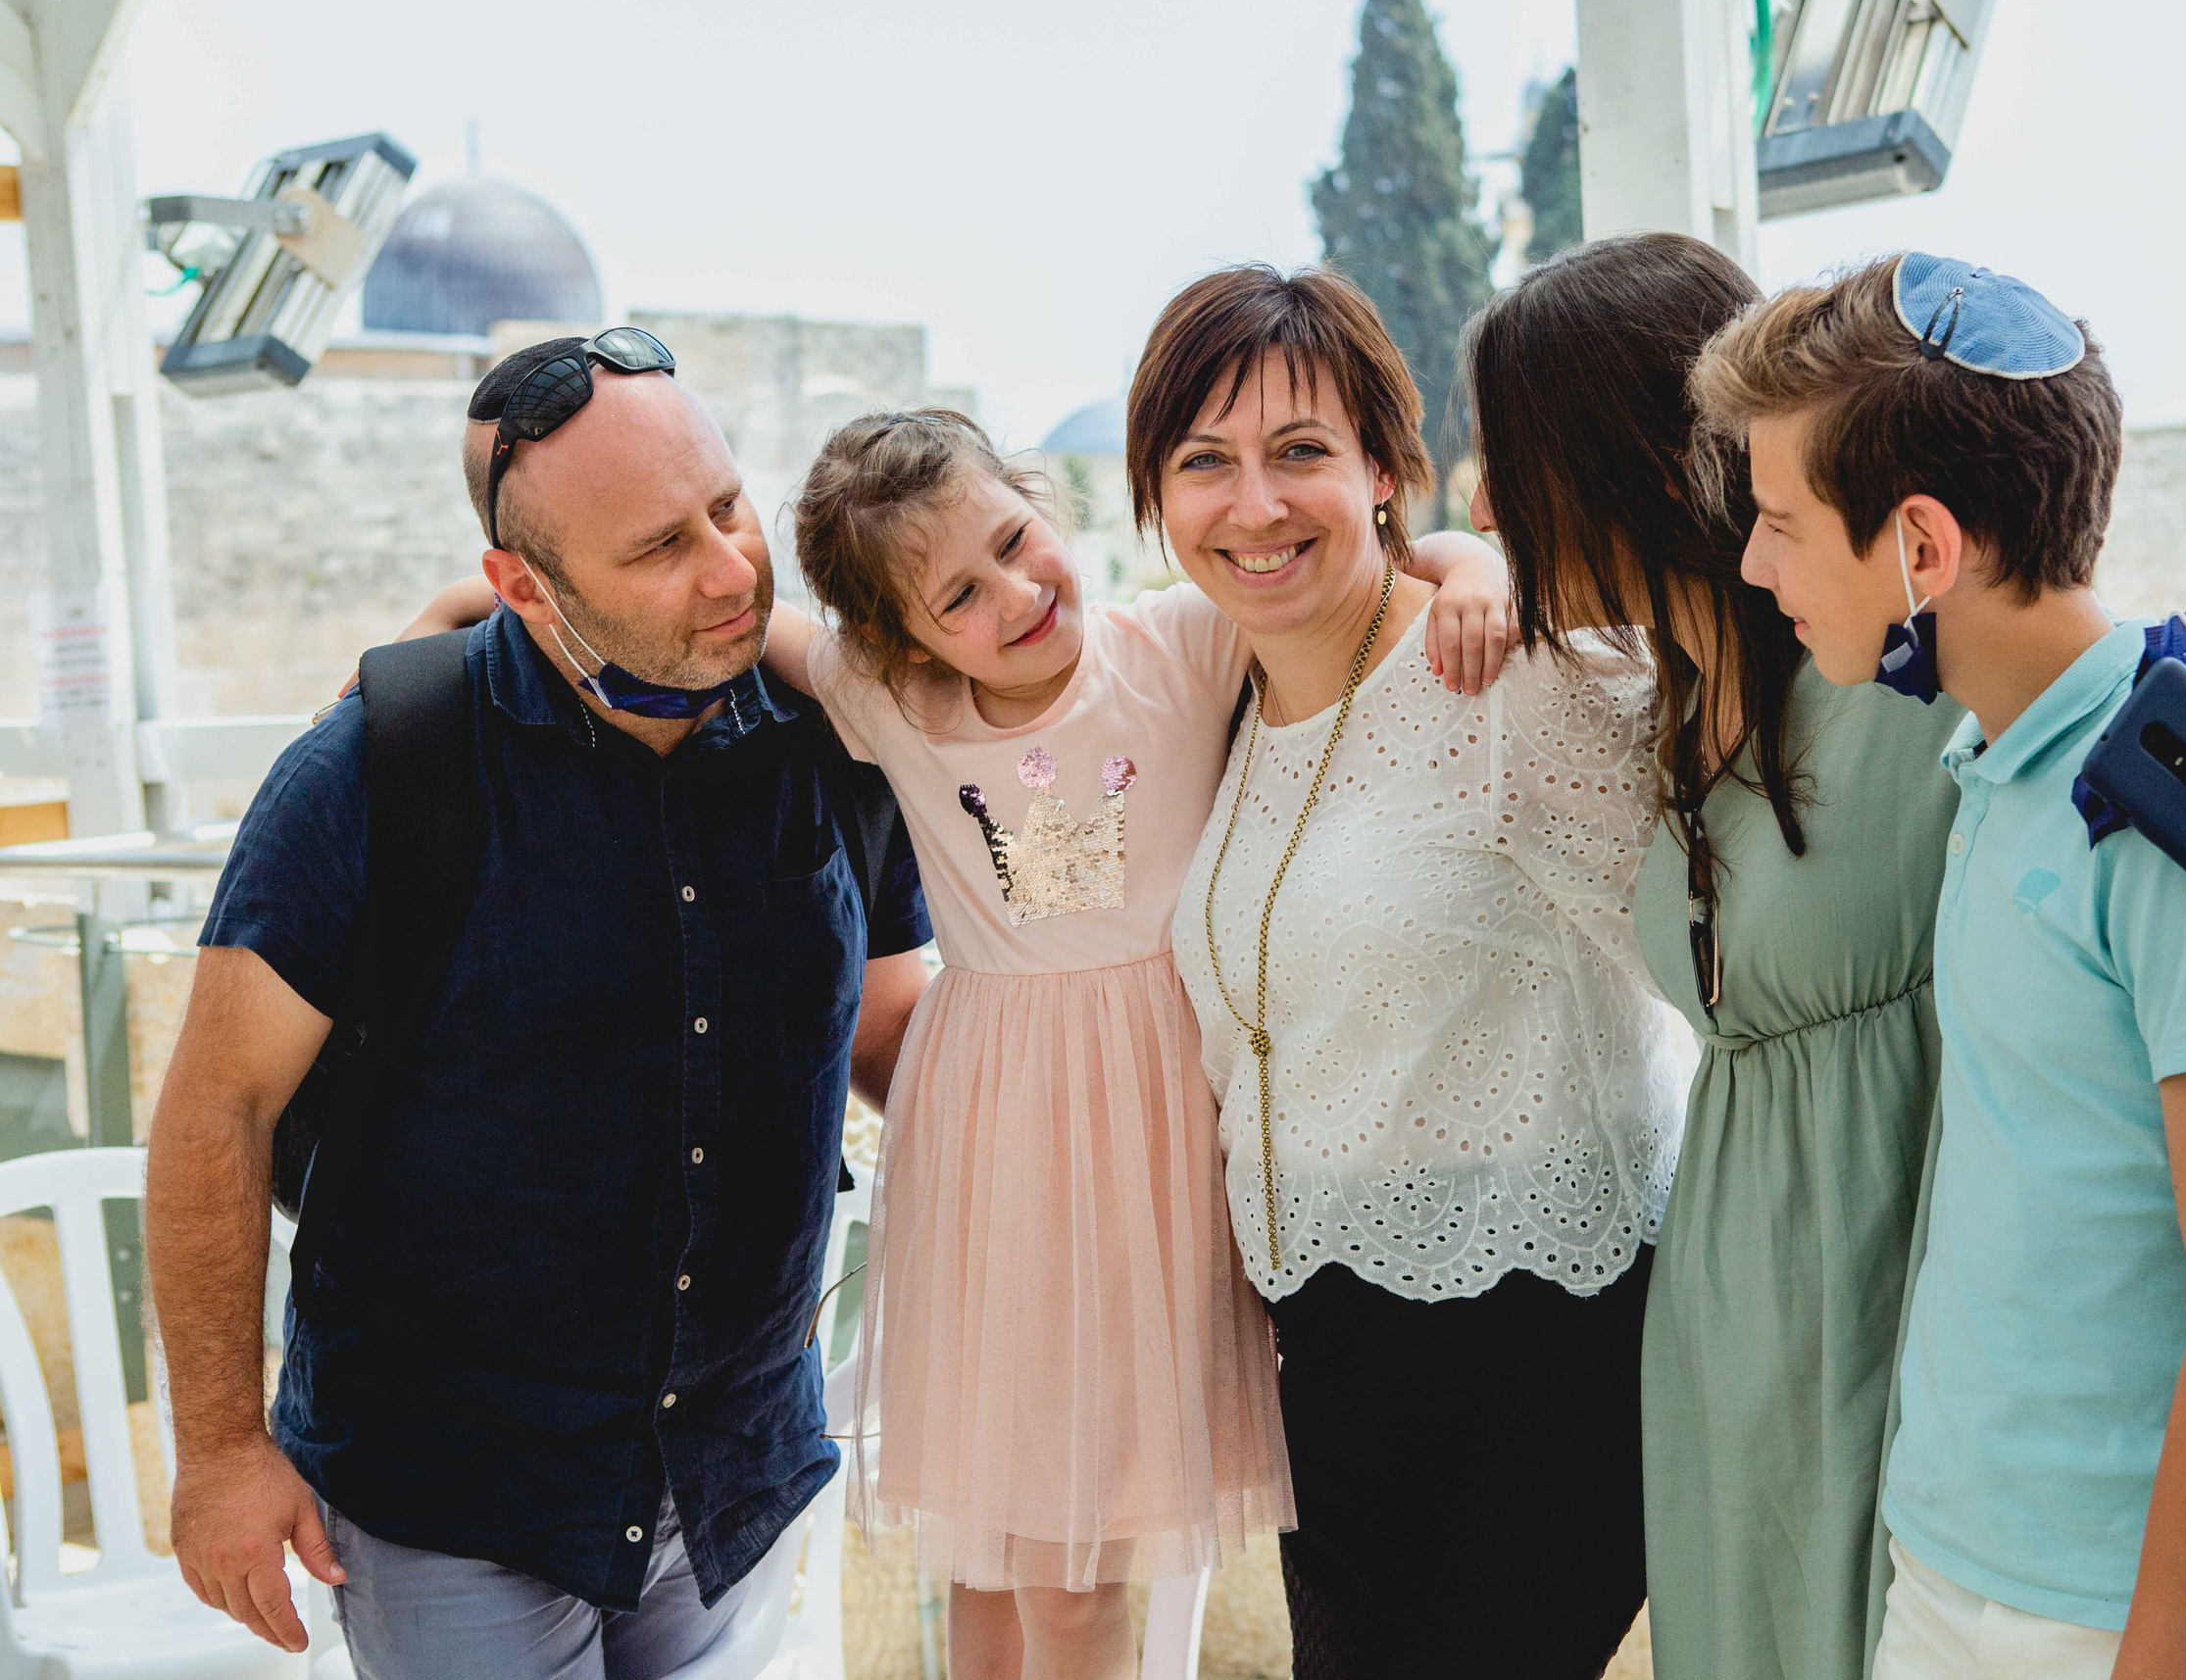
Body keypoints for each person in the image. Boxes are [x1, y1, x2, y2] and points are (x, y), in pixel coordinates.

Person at [1457, 232, 2186, 1680]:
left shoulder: (2089, 778)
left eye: (1775, 514)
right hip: (1940, 1525)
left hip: (2099, 1558)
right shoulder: (1983, 764)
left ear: (1913, 547)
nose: (1754, 549)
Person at [145, 331, 932, 1680]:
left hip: (738, 1471)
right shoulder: (376, 769)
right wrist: (220, 1449)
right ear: (523, 586)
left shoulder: (835, 743)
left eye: (727, 510)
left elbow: (895, 1041)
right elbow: (219, 1107)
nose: (732, 569)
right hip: (453, 1493)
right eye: (658, 550)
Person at [755, 407, 1511, 1680]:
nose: (1012, 592)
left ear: (1047, 501)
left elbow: (1385, 567)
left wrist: (1480, 567)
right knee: (992, 1538)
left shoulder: (1179, 643)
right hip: (991, 1142)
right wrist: (467, 607)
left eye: (1014, 538)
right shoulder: (889, 698)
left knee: (1083, 1554)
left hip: (1153, 1134)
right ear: (902, 636)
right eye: (958, 594)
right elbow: (745, 626)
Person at [1133, 265, 1688, 1680]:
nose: (1253, 506)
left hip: (1541, 1353)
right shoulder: (1220, 709)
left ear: (1387, 468)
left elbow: (1769, 786)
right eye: (1205, 464)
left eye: (1301, 453)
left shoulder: (1515, 684)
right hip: (1328, 1369)